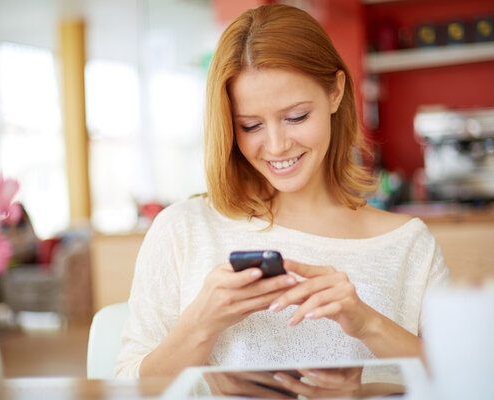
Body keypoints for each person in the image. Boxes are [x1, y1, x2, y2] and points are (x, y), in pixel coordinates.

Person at [116, 3, 450, 394]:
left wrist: (366, 371)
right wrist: (201, 329)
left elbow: (468, 382)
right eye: (251, 125)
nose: (276, 146)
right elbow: (126, 388)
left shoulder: (408, 244)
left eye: (295, 117)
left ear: (335, 92)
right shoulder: (184, 229)